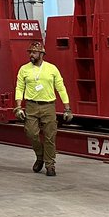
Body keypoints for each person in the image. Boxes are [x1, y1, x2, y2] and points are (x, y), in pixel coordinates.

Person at [14, 41, 72, 177]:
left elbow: (61, 88)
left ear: (41, 54)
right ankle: (40, 155)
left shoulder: (52, 69)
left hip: (48, 106)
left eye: (34, 52)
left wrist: (67, 108)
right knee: (31, 133)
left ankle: (50, 164)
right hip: (31, 106)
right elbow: (19, 88)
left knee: (50, 137)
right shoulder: (24, 69)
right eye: (30, 52)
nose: (31, 55)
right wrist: (18, 106)